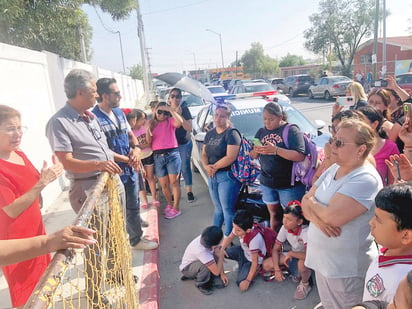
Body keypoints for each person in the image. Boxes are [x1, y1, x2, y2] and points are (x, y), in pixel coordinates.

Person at [46, 69, 127, 307]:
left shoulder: (89, 117)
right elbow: (67, 161)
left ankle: (113, 274)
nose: (96, 96)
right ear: (80, 92)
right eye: (93, 91)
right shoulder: (59, 122)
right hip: (89, 190)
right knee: (95, 245)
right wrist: (98, 164)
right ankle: (94, 294)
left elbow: (103, 152)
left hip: (110, 184)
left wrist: (122, 159)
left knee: (114, 234)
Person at [302, 118, 383, 308]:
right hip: (325, 265)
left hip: (346, 272)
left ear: (361, 149)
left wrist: (314, 208)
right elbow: (305, 202)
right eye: (333, 139)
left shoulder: (365, 178)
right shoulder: (335, 168)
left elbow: (331, 216)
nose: (332, 146)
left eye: (339, 142)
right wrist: (319, 220)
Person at [0, 105, 63, 308]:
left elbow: (31, 183)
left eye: (20, 128)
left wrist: (47, 176)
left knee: (43, 284)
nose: (17, 134)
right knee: (27, 294)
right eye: (10, 128)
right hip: (17, 240)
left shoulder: (18, 153)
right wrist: (42, 183)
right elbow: (11, 209)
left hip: (36, 230)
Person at [93, 78, 157, 250]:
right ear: (105, 96)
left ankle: (136, 239)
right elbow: (102, 149)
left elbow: (130, 136)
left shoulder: (119, 113)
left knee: (133, 205)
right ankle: (120, 245)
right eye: (117, 93)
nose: (120, 96)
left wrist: (136, 150)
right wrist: (126, 159)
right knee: (117, 212)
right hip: (113, 173)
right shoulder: (94, 118)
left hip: (130, 169)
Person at [250, 102, 306, 232]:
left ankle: (296, 245)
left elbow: (300, 155)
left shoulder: (291, 130)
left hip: (289, 185)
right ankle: (275, 242)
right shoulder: (260, 132)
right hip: (267, 182)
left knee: (292, 216)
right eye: (264, 119)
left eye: (271, 119)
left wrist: (275, 150)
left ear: (281, 117)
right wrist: (257, 150)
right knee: (274, 214)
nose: (267, 123)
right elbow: (252, 155)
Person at [363, 183, 412, 303]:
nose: (371, 222)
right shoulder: (390, 249)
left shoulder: (402, 282)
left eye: (378, 219)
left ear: (406, 236)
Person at [201, 104, 242, 236]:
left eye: (222, 116)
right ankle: (213, 237)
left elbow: (230, 156)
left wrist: (214, 167)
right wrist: (207, 166)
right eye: (216, 115)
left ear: (228, 118)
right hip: (212, 175)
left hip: (227, 176)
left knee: (227, 209)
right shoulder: (210, 133)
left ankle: (226, 238)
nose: (218, 119)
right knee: (218, 209)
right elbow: (204, 153)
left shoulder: (232, 133)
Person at [262, 201, 312, 300]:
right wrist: (276, 269)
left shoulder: (306, 232)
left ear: (299, 222)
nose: (284, 221)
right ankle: (294, 272)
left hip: (307, 257)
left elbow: (310, 255)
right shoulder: (285, 228)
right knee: (266, 265)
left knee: (302, 265)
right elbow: (275, 249)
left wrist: (291, 253)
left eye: (288, 219)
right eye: (284, 217)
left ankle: (305, 283)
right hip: (294, 255)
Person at [149, 101, 183, 219]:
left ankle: (176, 207)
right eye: (159, 112)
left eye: (165, 113)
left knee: (174, 182)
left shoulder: (170, 121)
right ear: (155, 111)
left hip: (172, 154)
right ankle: (170, 204)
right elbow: (147, 140)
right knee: (164, 184)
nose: (162, 115)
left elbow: (180, 123)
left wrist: (171, 110)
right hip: (158, 156)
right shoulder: (151, 123)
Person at [0, 225, 96, 267]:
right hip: (16, 237)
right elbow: (12, 210)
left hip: (31, 244)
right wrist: (47, 242)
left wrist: (48, 242)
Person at [219, 210, 266, 292]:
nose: (235, 231)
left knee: (241, 284)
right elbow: (229, 238)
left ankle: (257, 270)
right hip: (244, 251)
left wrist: (248, 281)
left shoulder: (254, 240)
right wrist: (221, 250)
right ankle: (243, 266)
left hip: (251, 260)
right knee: (223, 252)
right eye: (234, 228)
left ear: (248, 230)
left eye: (238, 230)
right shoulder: (238, 227)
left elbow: (254, 262)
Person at [179, 225, 228, 295]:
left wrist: (222, 273)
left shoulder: (207, 238)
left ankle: (203, 276)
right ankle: (202, 284)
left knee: (220, 284)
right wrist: (221, 256)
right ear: (214, 246)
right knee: (204, 266)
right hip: (187, 268)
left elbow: (217, 252)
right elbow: (217, 271)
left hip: (198, 263)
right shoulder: (202, 252)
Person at [358, 106, 400, 185]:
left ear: (375, 124)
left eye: (360, 123)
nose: (356, 127)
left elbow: (395, 180)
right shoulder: (350, 146)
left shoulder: (390, 147)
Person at [126, 109, 159, 208]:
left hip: (148, 154)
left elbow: (149, 142)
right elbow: (133, 147)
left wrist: (147, 130)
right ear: (135, 120)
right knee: (141, 180)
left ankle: (154, 198)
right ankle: (144, 200)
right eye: (142, 120)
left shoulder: (144, 127)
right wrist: (140, 147)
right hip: (138, 158)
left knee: (150, 177)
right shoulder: (130, 131)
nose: (144, 122)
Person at [169, 88, 195, 203]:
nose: (175, 98)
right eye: (173, 96)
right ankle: (176, 192)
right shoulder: (166, 110)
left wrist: (180, 116)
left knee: (184, 167)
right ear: (169, 98)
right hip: (170, 144)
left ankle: (189, 190)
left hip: (183, 143)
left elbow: (189, 127)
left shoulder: (184, 109)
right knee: (174, 170)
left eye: (178, 96)